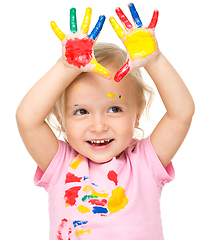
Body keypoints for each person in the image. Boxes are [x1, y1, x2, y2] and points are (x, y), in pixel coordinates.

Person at [16, 4, 195, 240]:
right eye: (81, 112)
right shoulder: (60, 164)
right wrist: (65, 67)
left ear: (138, 114)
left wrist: (155, 61)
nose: (98, 125)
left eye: (114, 108)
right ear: (60, 119)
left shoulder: (145, 162)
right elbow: (26, 119)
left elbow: (181, 113)